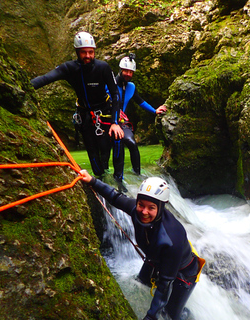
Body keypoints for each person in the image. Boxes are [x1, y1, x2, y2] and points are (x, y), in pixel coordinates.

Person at [80, 170, 205, 320]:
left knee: (170, 315)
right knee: (140, 282)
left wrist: (150, 317)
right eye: (141, 204)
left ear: (160, 207)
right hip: (155, 257)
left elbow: (164, 285)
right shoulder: (135, 209)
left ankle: (185, 315)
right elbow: (114, 197)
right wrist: (92, 181)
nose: (144, 212)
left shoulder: (173, 238)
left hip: (184, 272)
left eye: (151, 208)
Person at [31, 31, 125, 182]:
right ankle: (100, 180)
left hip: (104, 112)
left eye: (91, 52)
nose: (87, 56)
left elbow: (115, 94)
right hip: (85, 115)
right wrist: (24, 86)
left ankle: (119, 181)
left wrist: (115, 123)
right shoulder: (69, 68)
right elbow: (45, 79)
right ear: (77, 52)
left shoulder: (103, 67)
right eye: (83, 52)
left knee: (111, 142)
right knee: (92, 151)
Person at [110, 54, 167, 175]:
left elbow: (140, 101)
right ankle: (107, 176)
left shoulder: (131, 87)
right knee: (107, 150)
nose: (128, 74)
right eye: (126, 71)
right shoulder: (109, 84)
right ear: (120, 70)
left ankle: (137, 174)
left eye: (131, 72)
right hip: (106, 121)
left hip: (120, 122)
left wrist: (155, 111)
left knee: (132, 143)